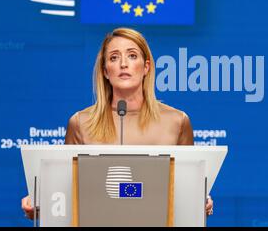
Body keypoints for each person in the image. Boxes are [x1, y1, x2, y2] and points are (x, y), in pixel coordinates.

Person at [22, 27, 213, 219]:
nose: (123, 64)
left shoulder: (177, 121)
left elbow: (187, 188)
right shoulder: (81, 122)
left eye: (131, 56)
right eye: (114, 58)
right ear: (105, 71)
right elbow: (64, 194)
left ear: (146, 67)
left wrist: (200, 201)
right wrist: (39, 206)